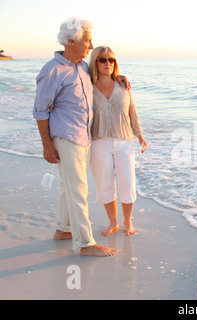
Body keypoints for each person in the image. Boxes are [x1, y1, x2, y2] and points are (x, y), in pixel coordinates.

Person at [33, 17, 120, 257]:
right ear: (71, 41)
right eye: (87, 41)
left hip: (84, 137)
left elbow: (103, 76)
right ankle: (85, 244)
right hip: (65, 138)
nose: (91, 46)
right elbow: (40, 111)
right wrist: (47, 146)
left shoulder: (82, 67)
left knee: (69, 187)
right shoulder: (52, 71)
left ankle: (64, 229)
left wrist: (118, 79)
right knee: (79, 190)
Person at [88, 46, 148, 237]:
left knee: (127, 183)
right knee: (104, 185)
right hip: (98, 143)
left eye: (111, 60)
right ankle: (113, 222)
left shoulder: (123, 85)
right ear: (95, 63)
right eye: (103, 59)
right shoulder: (87, 85)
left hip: (124, 142)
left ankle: (127, 221)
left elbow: (133, 112)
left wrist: (140, 135)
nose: (108, 63)